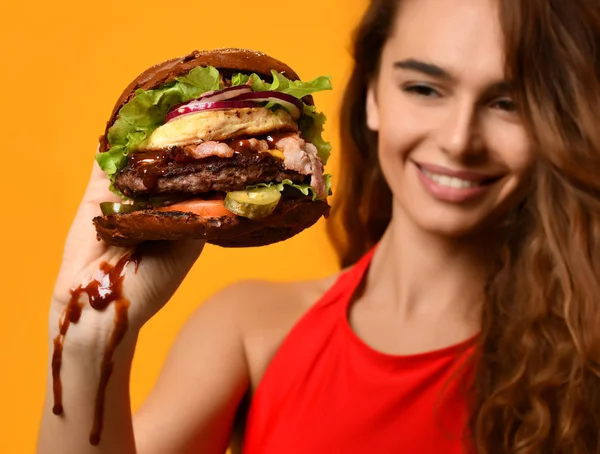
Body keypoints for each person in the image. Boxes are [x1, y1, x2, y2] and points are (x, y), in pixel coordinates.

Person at [38, 0, 600, 452]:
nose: (458, 139)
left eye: (508, 102)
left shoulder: (587, 354)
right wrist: (86, 334)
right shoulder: (248, 330)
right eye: (424, 88)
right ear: (373, 95)